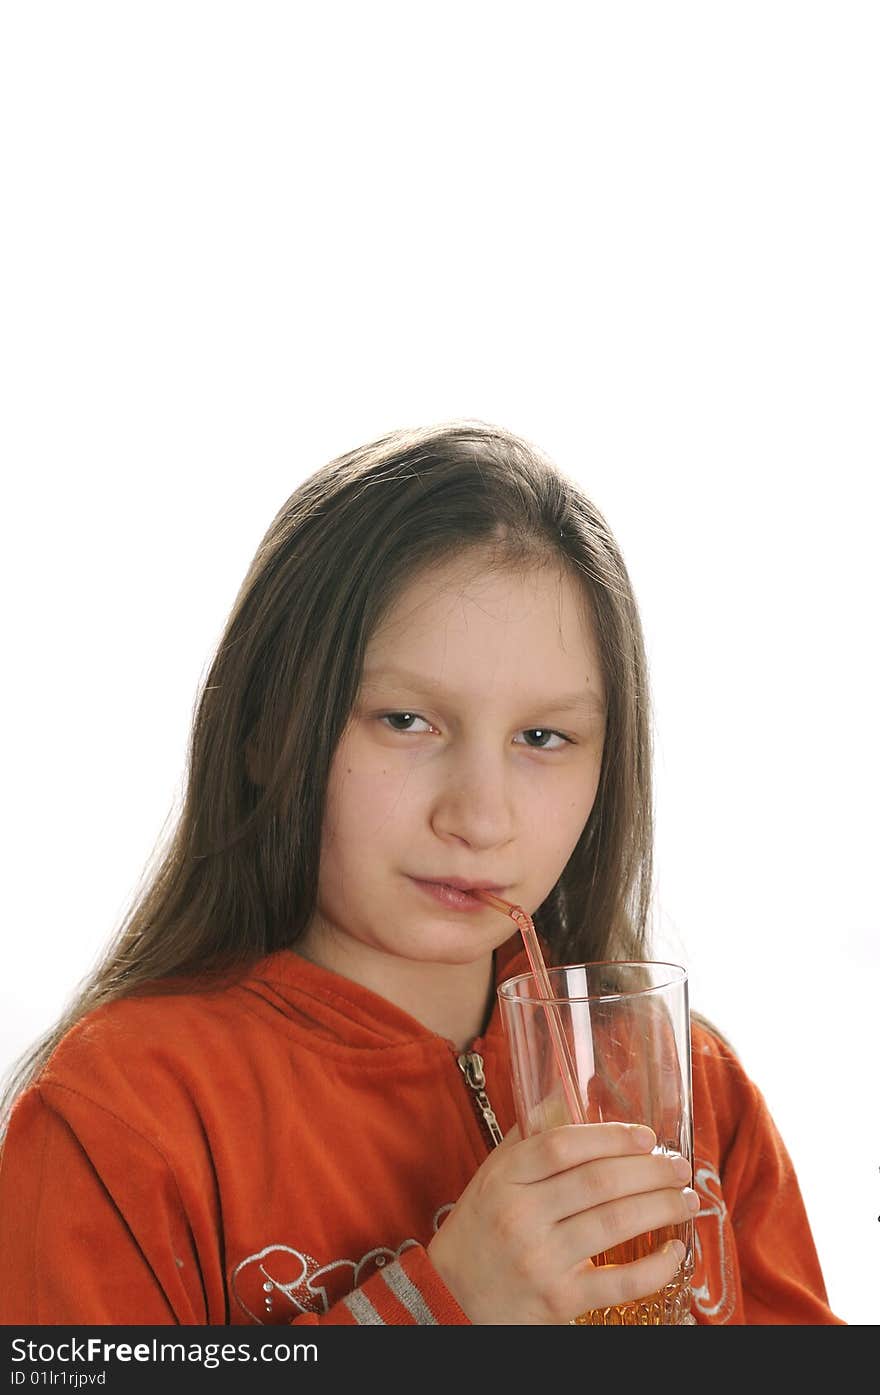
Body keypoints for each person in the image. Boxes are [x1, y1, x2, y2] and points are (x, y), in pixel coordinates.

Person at [0, 421, 843, 1326]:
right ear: (263, 727)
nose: (479, 819)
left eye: (543, 738)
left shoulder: (695, 1092)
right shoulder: (121, 1114)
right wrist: (445, 1305)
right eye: (406, 720)